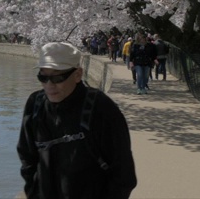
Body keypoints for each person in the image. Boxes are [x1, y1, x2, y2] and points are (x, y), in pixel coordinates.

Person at [17, 42, 137, 199]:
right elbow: (26, 154)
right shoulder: (35, 103)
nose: (49, 85)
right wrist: (33, 190)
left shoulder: (101, 108)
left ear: (78, 74)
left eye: (58, 77)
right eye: (43, 77)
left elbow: (122, 171)